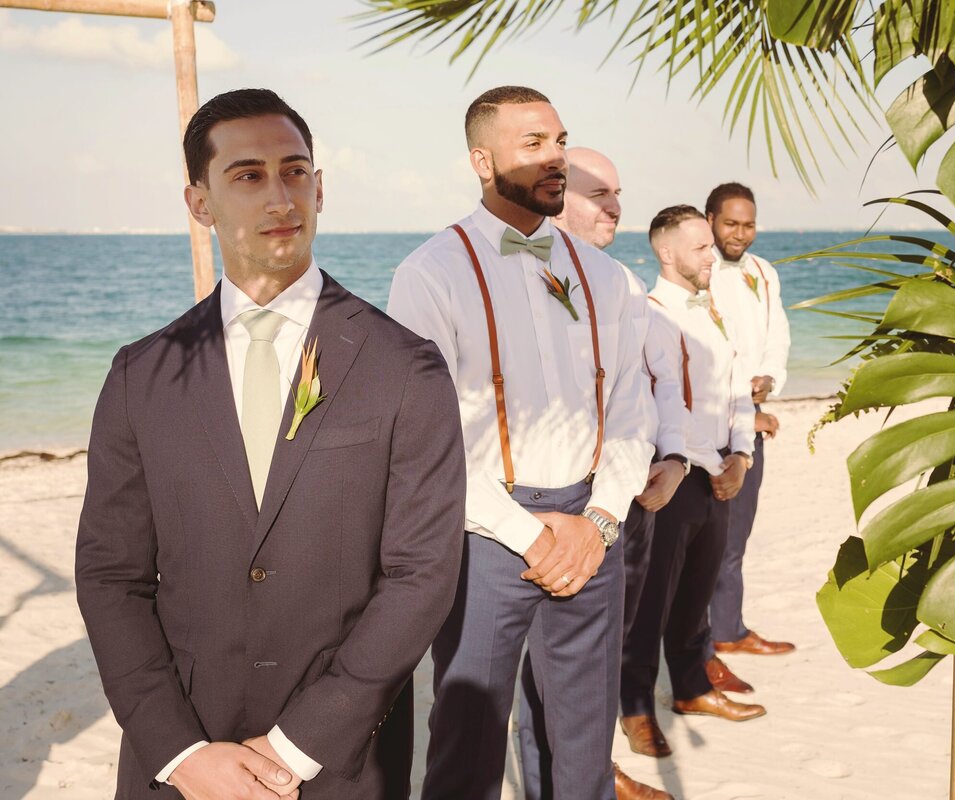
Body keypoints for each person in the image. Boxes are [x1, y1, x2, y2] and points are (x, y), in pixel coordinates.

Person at [75, 88, 466, 800]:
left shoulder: (405, 366)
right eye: (249, 175)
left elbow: (422, 574)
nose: (280, 195)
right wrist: (181, 752)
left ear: (319, 188)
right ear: (200, 203)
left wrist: (298, 744)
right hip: (182, 760)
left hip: (341, 759)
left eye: (294, 171)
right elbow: (111, 576)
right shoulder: (141, 373)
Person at [387, 87, 654, 800]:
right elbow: (426, 439)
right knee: (467, 746)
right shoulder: (428, 274)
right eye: (532, 143)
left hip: (596, 530)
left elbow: (631, 409)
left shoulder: (607, 276)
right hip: (485, 535)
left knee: (582, 747)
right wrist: (530, 537)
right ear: (482, 159)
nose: (555, 157)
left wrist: (599, 522)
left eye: (560, 140)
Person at [517, 146, 685, 800]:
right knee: (547, 674)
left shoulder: (618, 282)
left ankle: (592, 776)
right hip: (544, 507)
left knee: (591, 662)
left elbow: (655, 381)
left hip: (622, 500)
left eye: (618, 193)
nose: (617, 206)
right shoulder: (514, 278)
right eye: (600, 193)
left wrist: (672, 459)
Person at [620, 204, 765, 762]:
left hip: (719, 474)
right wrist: (708, 460)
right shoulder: (649, 313)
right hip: (673, 477)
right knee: (649, 603)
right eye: (701, 247)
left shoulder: (716, 309)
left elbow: (736, 388)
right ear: (667, 252)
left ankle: (692, 690)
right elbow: (662, 401)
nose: (712, 256)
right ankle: (635, 709)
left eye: (711, 245)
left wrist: (742, 456)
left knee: (694, 599)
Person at [705, 182, 795, 660]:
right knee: (704, 541)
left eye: (748, 224)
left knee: (737, 535)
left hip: (752, 419)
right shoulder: (699, 270)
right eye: (730, 223)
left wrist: (770, 379)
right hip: (708, 423)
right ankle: (697, 648)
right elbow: (702, 348)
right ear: (709, 220)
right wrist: (740, 395)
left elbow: (777, 335)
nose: (740, 234)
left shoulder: (764, 271)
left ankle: (729, 629)